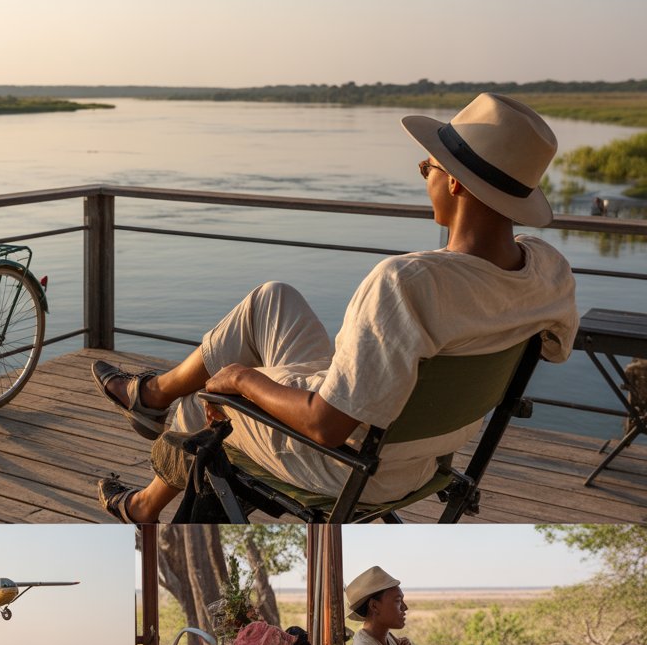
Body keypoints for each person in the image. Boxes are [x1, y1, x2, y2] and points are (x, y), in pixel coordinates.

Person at [92, 92, 579, 523]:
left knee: (208, 400)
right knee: (271, 299)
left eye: (427, 165)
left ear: (454, 182)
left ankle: (145, 500)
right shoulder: (548, 273)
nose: (423, 173)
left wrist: (242, 379)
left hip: (352, 466)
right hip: (421, 452)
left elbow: (326, 427)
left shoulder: (407, 283)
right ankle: (151, 397)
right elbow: (554, 351)